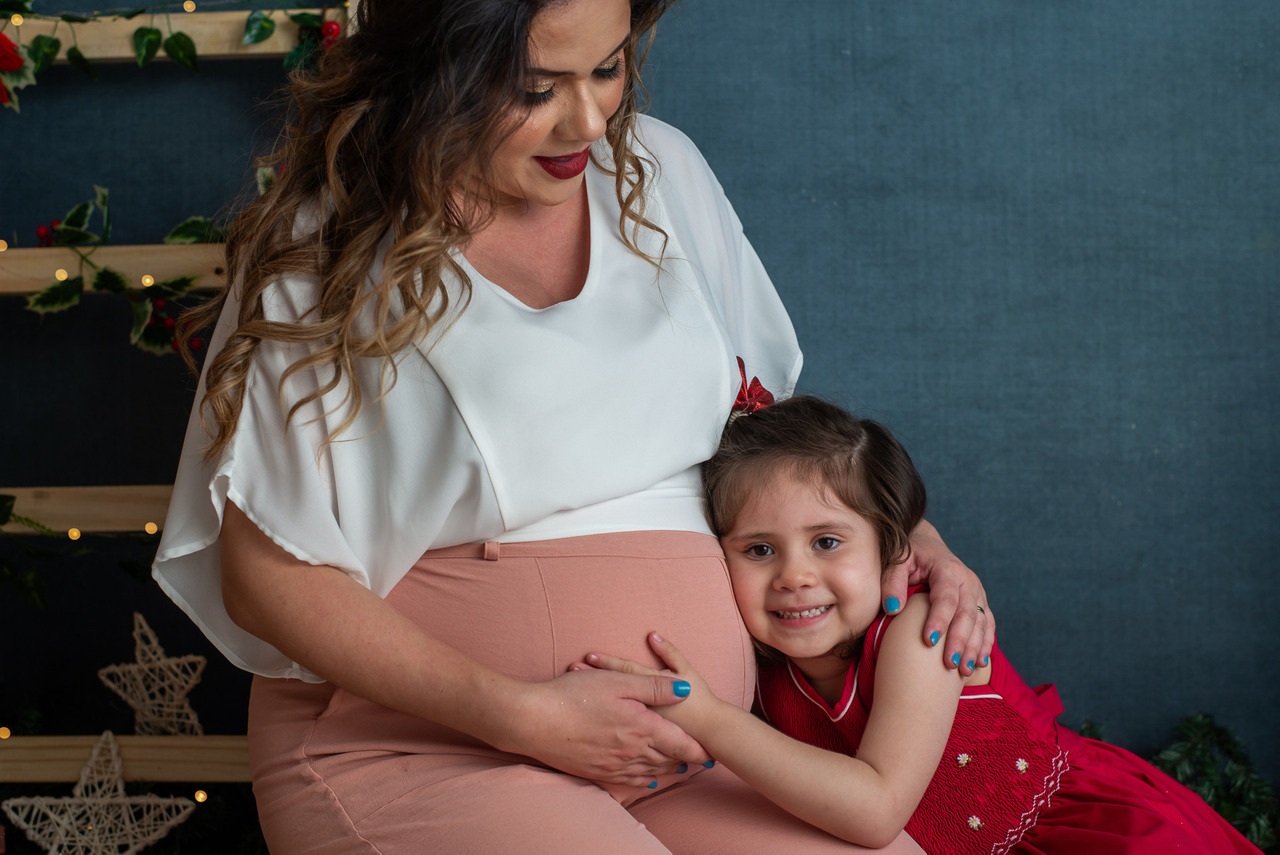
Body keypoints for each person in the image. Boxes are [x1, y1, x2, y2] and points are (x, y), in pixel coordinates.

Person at [152, 0, 993, 852]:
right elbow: (263, 577)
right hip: (419, 747)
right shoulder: (332, 235)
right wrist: (517, 711)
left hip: (683, 751)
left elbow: (765, 435)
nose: (589, 120)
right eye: (533, 87)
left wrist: (908, 533)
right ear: (436, 70)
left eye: (607, 68)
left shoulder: (660, 170)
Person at [581, 395, 1262, 853]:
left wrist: (703, 714)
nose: (794, 575)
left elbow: (877, 808)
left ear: (891, 550)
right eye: (759, 550)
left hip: (1085, 838)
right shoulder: (770, 671)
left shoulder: (914, 632)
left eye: (826, 542)